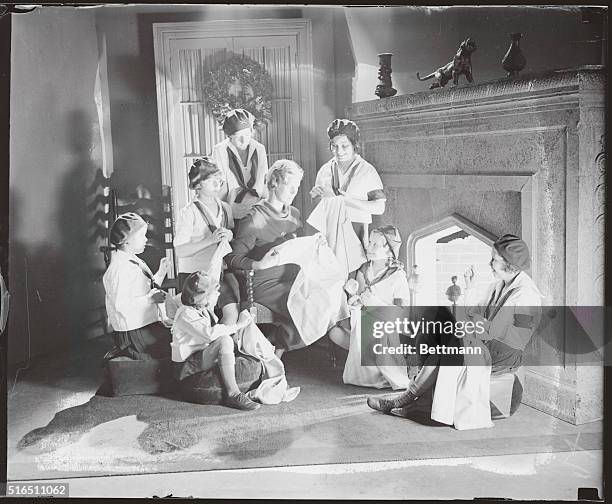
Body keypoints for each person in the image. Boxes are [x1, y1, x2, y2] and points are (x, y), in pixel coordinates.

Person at [367, 234, 543, 429]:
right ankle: (414, 386)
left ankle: (405, 398)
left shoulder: (526, 293)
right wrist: (470, 289)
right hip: (486, 340)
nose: (490, 263)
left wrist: (479, 327)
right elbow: (473, 313)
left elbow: (518, 337)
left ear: (510, 265)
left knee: (451, 343)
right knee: (436, 315)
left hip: (505, 353)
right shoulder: (497, 285)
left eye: (495, 260)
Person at [225, 159, 304, 357]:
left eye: (297, 187)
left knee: (327, 297)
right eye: (290, 186)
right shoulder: (254, 218)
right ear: (274, 183)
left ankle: (274, 349)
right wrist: (259, 264)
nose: (295, 192)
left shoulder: (294, 214)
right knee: (305, 303)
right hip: (263, 283)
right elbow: (233, 259)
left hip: (292, 279)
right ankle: (274, 354)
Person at [329, 225, 412, 389]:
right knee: (334, 332)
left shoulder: (397, 276)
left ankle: (379, 374)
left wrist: (374, 303)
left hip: (386, 325)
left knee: (372, 328)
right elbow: (359, 299)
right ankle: (362, 368)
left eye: (375, 244)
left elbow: (402, 315)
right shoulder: (364, 270)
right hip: (362, 319)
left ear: (388, 250)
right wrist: (353, 296)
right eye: (369, 243)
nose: (369, 247)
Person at [171, 271, 259, 410]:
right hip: (187, 368)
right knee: (224, 341)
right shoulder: (186, 313)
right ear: (202, 297)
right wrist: (239, 325)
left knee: (232, 343)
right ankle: (233, 394)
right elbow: (210, 334)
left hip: (199, 358)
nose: (218, 295)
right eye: (214, 292)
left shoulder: (204, 310)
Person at [173, 156, 239, 322]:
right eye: (210, 180)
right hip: (194, 277)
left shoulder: (226, 208)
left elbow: (230, 235)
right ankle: (210, 344)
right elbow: (180, 250)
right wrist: (209, 241)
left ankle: (221, 343)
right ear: (198, 183)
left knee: (232, 312)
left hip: (218, 272)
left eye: (218, 179)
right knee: (201, 320)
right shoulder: (188, 212)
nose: (217, 183)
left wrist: (230, 235)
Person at [103, 212, 171, 360]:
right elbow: (121, 306)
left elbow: (147, 288)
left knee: (178, 336)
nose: (146, 239)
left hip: (145, 325)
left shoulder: (134, 261)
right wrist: (151, 299)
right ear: (126, 241)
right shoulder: (119, 269)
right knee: (175, 346)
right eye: (142, 236)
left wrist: (161, 272)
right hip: (132, 332)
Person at [310, 119, 386, 249]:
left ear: (354, 145)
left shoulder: (366, 171)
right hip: (329, 232)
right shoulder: (324, 170)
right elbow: (319, 206)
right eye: (334, 146)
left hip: (356, 233)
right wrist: (315, 197)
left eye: (344, 146)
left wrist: (350, 201)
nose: (339, 151)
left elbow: (380, 208)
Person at [212, 109, 269, 220]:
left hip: (257, 211)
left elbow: (264, 181)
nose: (244, 140)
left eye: (247, 135)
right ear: (230, 136)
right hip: (232, 211)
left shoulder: (259, 149)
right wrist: (223, 217)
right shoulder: (220, 150)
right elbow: (220, 186)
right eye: (239, 137)